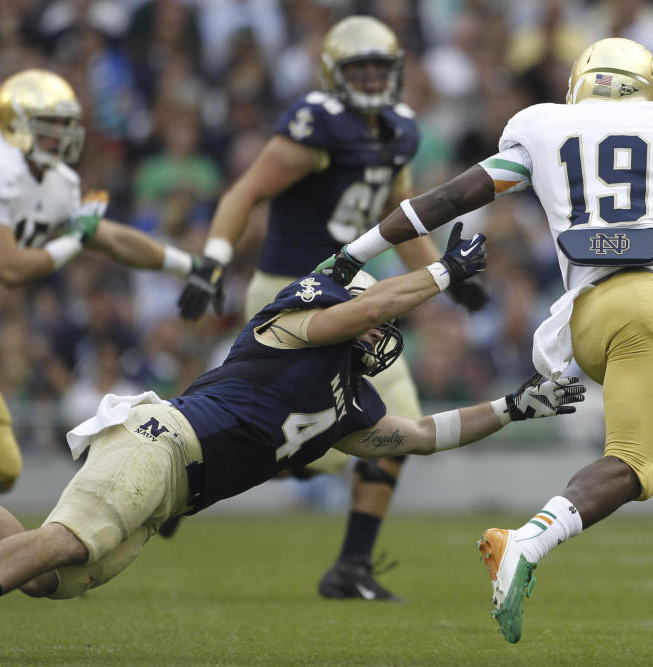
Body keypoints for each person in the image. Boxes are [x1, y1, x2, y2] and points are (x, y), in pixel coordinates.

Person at [325, 37, 653, 643]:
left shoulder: (546, 130)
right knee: (633, 465)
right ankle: (525, 542)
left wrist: (348, 257)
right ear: (648, 87)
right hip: (646, 307)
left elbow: (442, 201)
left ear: (581, 82)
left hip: (588, 318)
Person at [0, 226, 585, 661]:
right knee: (66, 540)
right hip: (161, 442)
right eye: (376, 320)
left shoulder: (353, 405)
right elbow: (355, 314)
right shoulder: (294, 325)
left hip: (176, 492)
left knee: (49, 576)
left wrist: (511, 407)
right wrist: (443, 271)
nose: (380, 336)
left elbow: (422, 435)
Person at [175, 15, 488, 601]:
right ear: (333, 73)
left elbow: (398, 210)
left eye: (379, 67)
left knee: (359, 438)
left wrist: (440, 273)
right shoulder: (315, 125)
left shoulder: (399, 128)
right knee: (310, 429)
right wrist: (213, 259)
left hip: (351, 289)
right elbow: (246, 191)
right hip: (291, 289)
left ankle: (348, 563)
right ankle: (182, 465)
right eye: (358, 67)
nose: (370, 77)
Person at [0, 69, 199, 495]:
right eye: (50, 129)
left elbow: (114, 239)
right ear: (15, 128)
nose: (61, 139)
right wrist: (74, 239)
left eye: (66, 128)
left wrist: (189, 265)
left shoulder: (56, 184)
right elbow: (8, 268)